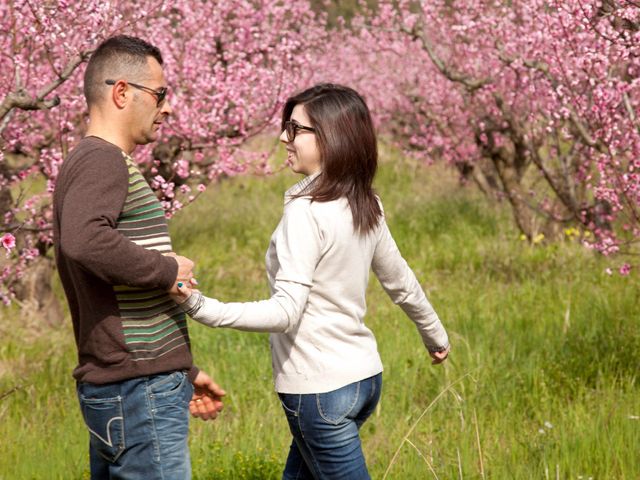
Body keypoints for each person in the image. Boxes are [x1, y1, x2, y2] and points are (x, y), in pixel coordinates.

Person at [171, 83, 450, 479]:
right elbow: (400, 281)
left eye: (296, 129)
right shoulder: (364, 202)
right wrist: (434, 334)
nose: (284, 137)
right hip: (363, 380)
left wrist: (199, 306)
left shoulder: (306, 214)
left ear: (331, 137)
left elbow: (286, 311)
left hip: (320, 392)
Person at [52, 35, 225, 480]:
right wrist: (167, 269)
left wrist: (184, 370)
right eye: (160, 94)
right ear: (122, 92)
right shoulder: (102, 160)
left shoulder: (91, 161)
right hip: (138, 391)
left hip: (136, 386)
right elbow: (84, 239)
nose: (167, 107)